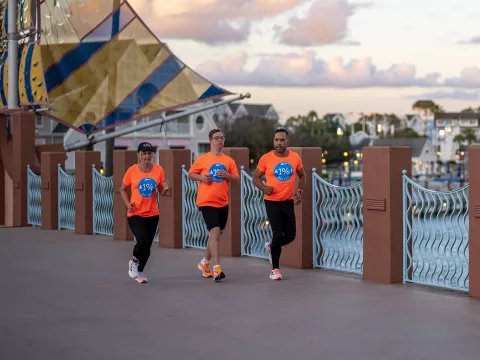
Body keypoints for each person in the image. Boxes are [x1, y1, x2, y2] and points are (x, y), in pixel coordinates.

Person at [252, 128, 306, 280]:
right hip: (272, 202)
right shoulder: (266, 158)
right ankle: (275, 269)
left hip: (288, 202)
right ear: (273, 141)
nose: (279, 143)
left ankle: (271, 247)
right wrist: (264, 187)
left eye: (282, 140)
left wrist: (299, 192)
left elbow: (302, 176)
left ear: (287, 142)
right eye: (276, 140)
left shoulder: (295, 158)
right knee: (278, 233)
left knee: (291, 235)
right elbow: (255, 178)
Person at [188, 129, 240, 282]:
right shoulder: (202, 159)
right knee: (215, 233)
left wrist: (227, 176)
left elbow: (236, 179)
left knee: (215, 235)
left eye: (222, 138)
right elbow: (191, 174)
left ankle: (204, 263)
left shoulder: (228, 161)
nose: (220, 141)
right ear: (210, 140)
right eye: (217, 138)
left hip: (222, 202)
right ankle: (217, 269)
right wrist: (202, 178)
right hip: (206, 201)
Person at [120, 142, 171, 284]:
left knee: (147, 246)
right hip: (135, 213)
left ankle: (140, 271)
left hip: (153, 214)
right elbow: (122, 189)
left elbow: (161, 191)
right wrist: (127, 204)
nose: (147, 156)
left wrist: (166, 188)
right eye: (144, 153)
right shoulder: (132, 171)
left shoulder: (158, 170)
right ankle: (133, 262)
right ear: (139, 155)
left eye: (150, 153)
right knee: (142, 241)